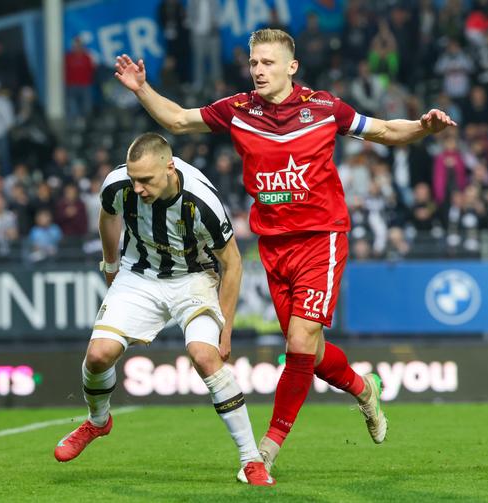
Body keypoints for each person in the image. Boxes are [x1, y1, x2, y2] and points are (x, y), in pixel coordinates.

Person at [114, 28, 456, 477]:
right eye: (254, 63)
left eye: (268, 63)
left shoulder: (324, 108)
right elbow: (177, 120)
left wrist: (423, 127)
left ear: (291, 67)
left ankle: (267, 449)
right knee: (309, 355)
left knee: (297, 343)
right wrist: (142, 89)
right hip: (273, 246)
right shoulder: (237, 110)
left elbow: (387, 130)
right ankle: (364, 389)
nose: (258, 70)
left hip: (321, 237)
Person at [53, 133, 275, 486]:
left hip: (194, 278)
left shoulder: (203, 202)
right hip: (139, 274)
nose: (137, 187)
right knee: (98, 355)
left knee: (205, 356)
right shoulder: (117, 185)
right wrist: (110, 265)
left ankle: (252, 460)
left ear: (169, 168)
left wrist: (226, 329)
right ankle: (98, 422)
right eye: (133, 178)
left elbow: (232, 264)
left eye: (146, 180)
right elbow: (108, 217)